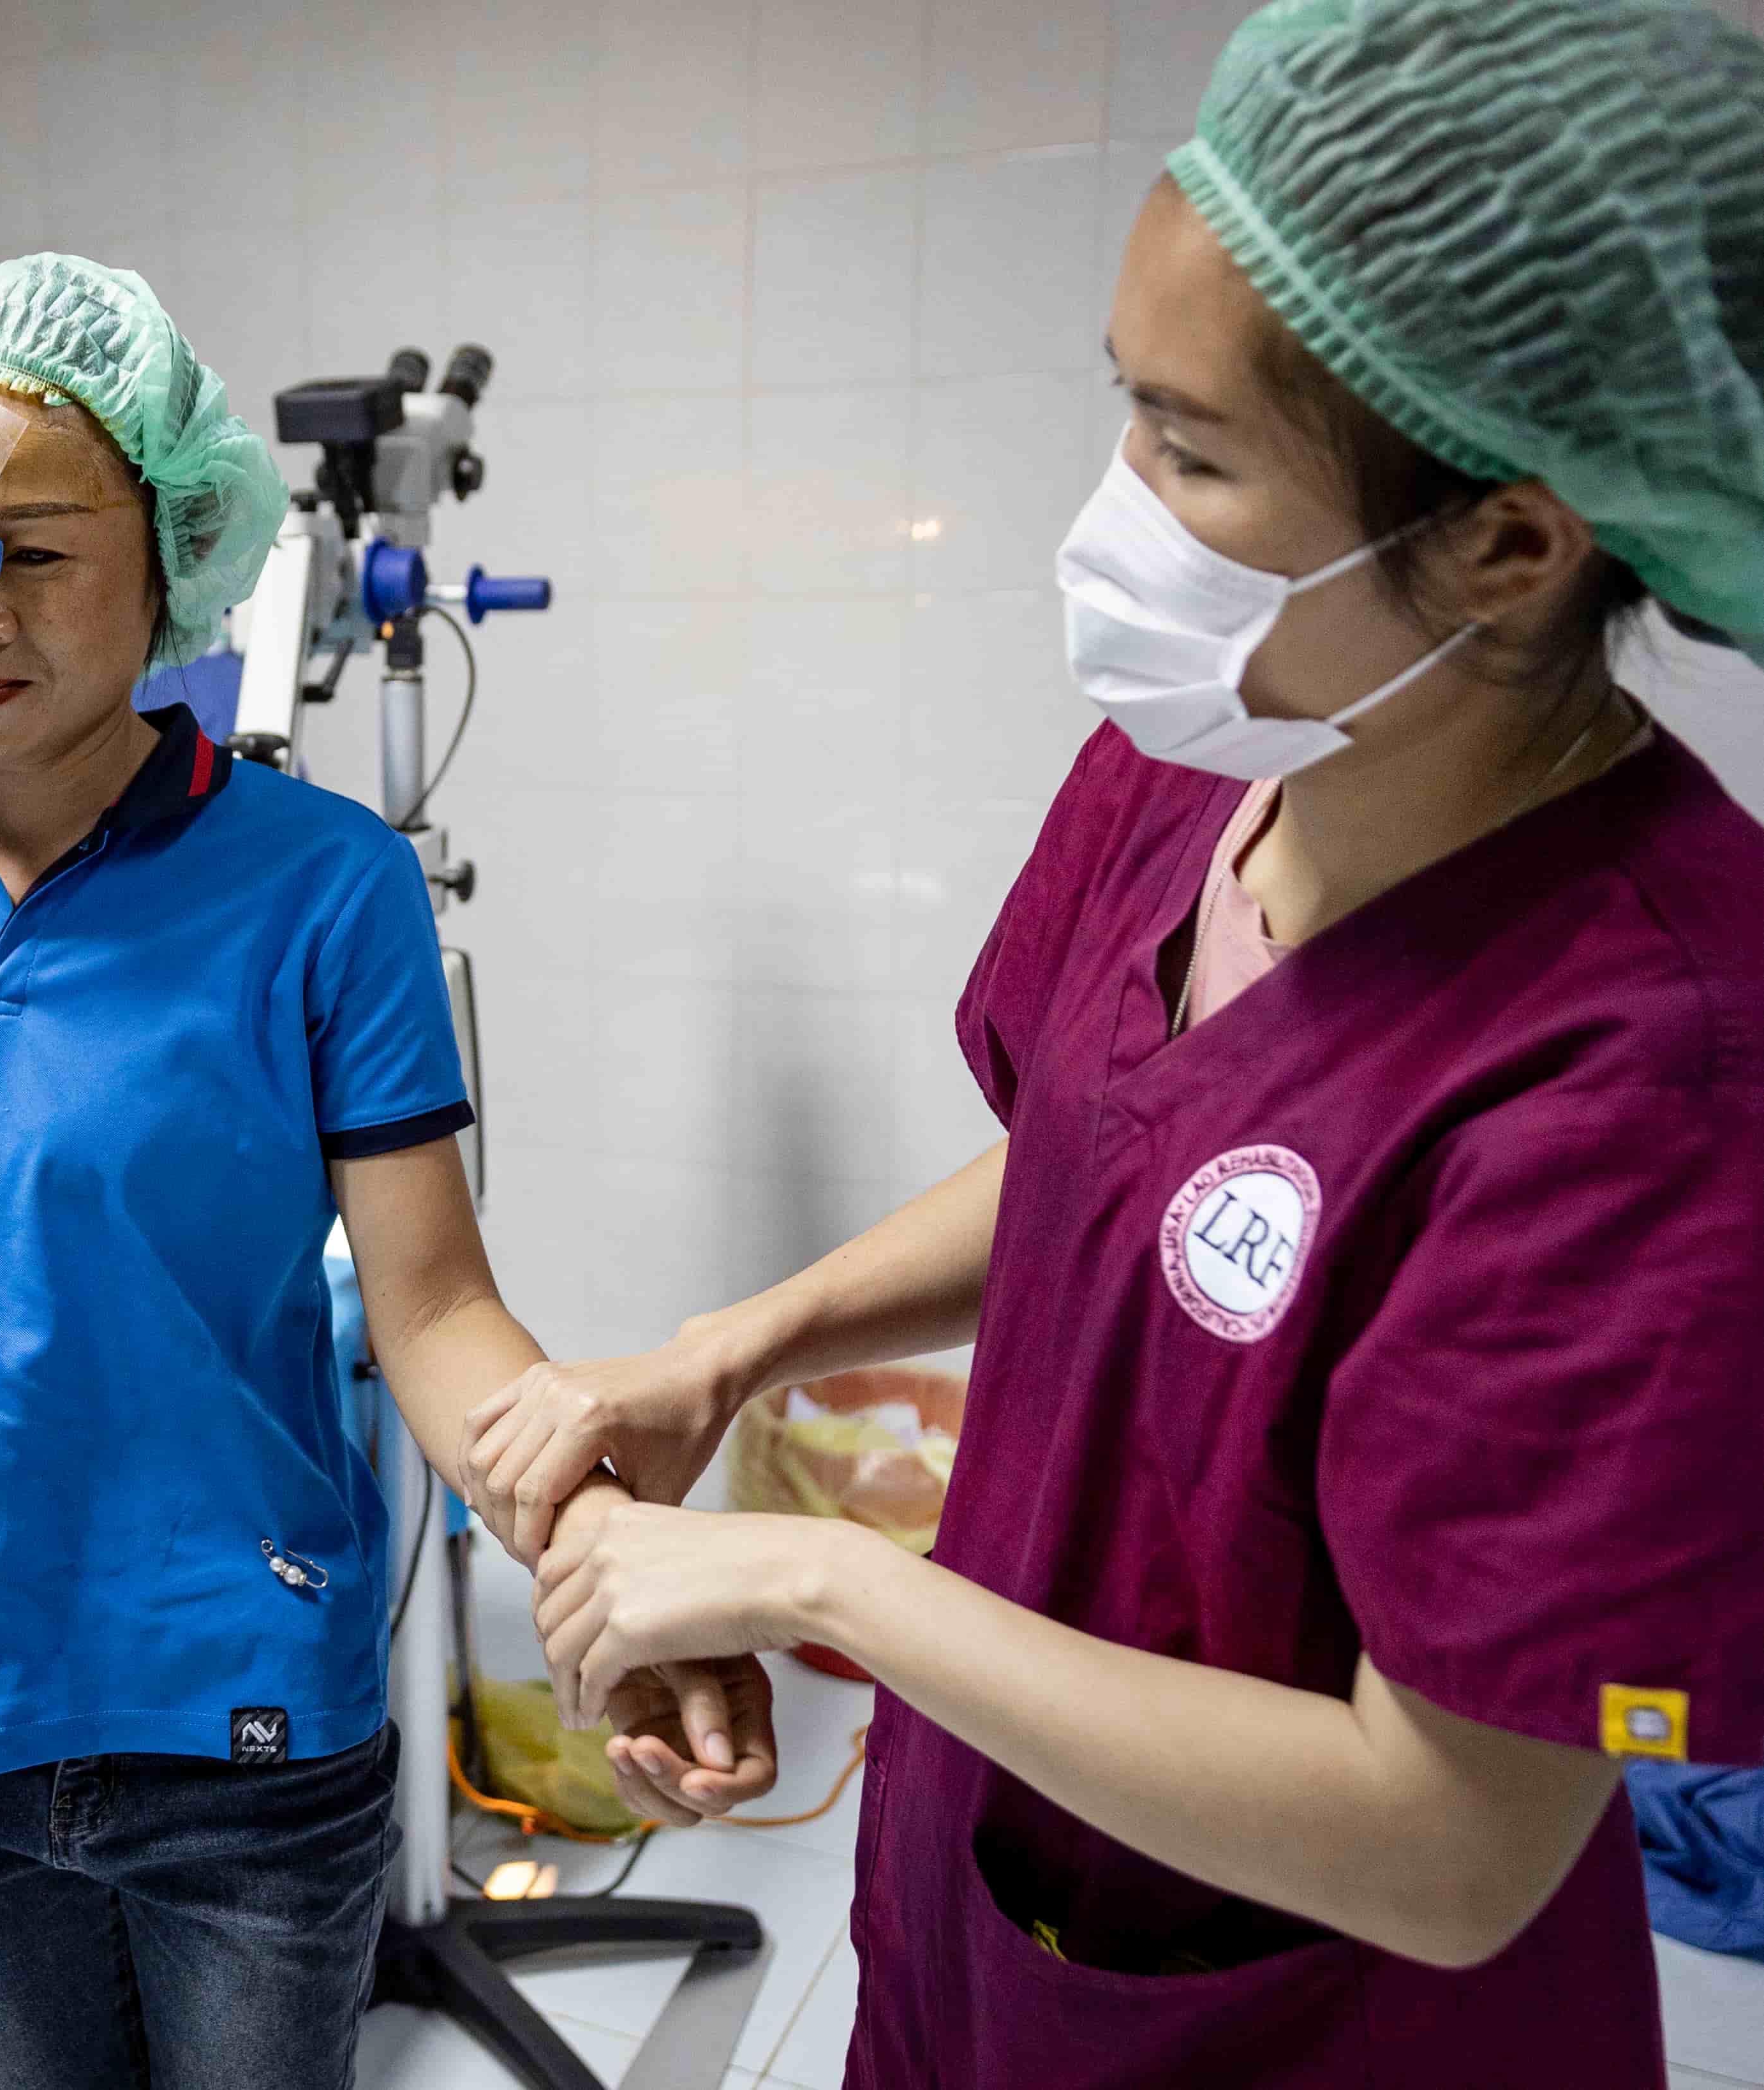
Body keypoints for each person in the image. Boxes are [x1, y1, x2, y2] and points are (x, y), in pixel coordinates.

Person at [459, 1, 1764, 2081]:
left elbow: (1449, 1848)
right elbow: (1116, 1155)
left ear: (1511, 539)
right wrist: (734, 1345)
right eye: (1122, 411)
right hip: (997, 1913)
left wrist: (817, 1576)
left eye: (1190, 447)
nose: (1113, 510)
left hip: (1317, 2018)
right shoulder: (1199, 772)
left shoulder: (1648, 1063)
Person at [0, 255, 773, 2090]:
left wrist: (591, 1562)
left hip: (247, 1727)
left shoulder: (325, 886)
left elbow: (429, 1306)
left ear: (170, 556)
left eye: (36, 548)